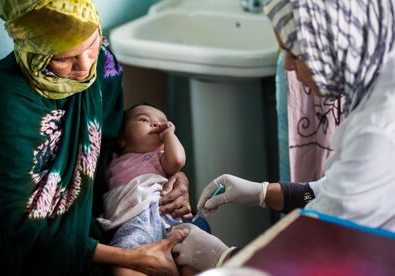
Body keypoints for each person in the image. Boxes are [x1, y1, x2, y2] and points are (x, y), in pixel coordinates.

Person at [169, 0, 395, 271]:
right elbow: (329, 194)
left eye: (295, 53)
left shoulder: (377, 131)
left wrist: (225, 258)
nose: (287, 65)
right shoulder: (379, 84)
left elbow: (318, 249)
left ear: (338, 43)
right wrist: (263, 193)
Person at [0, 1, 192, 275]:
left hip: (106, 218)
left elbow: (113, 142)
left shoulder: (102, 61)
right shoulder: (9, 102)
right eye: (64, 59)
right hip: (44, 253)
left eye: (91, 44)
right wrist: (132, 257)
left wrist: (169, 175)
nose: (85, 66)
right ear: (35, 51)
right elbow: (22, 231)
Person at [97, 104, 196, 275]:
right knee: (124, 268)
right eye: (144, 119)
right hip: (131, 224)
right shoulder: (110, 160)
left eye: (162, 122)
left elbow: (178, 160)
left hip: (163, 219)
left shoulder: (158, 159)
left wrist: (169, 135)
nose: (156, 124)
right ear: (121, 139)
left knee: (192, 260)